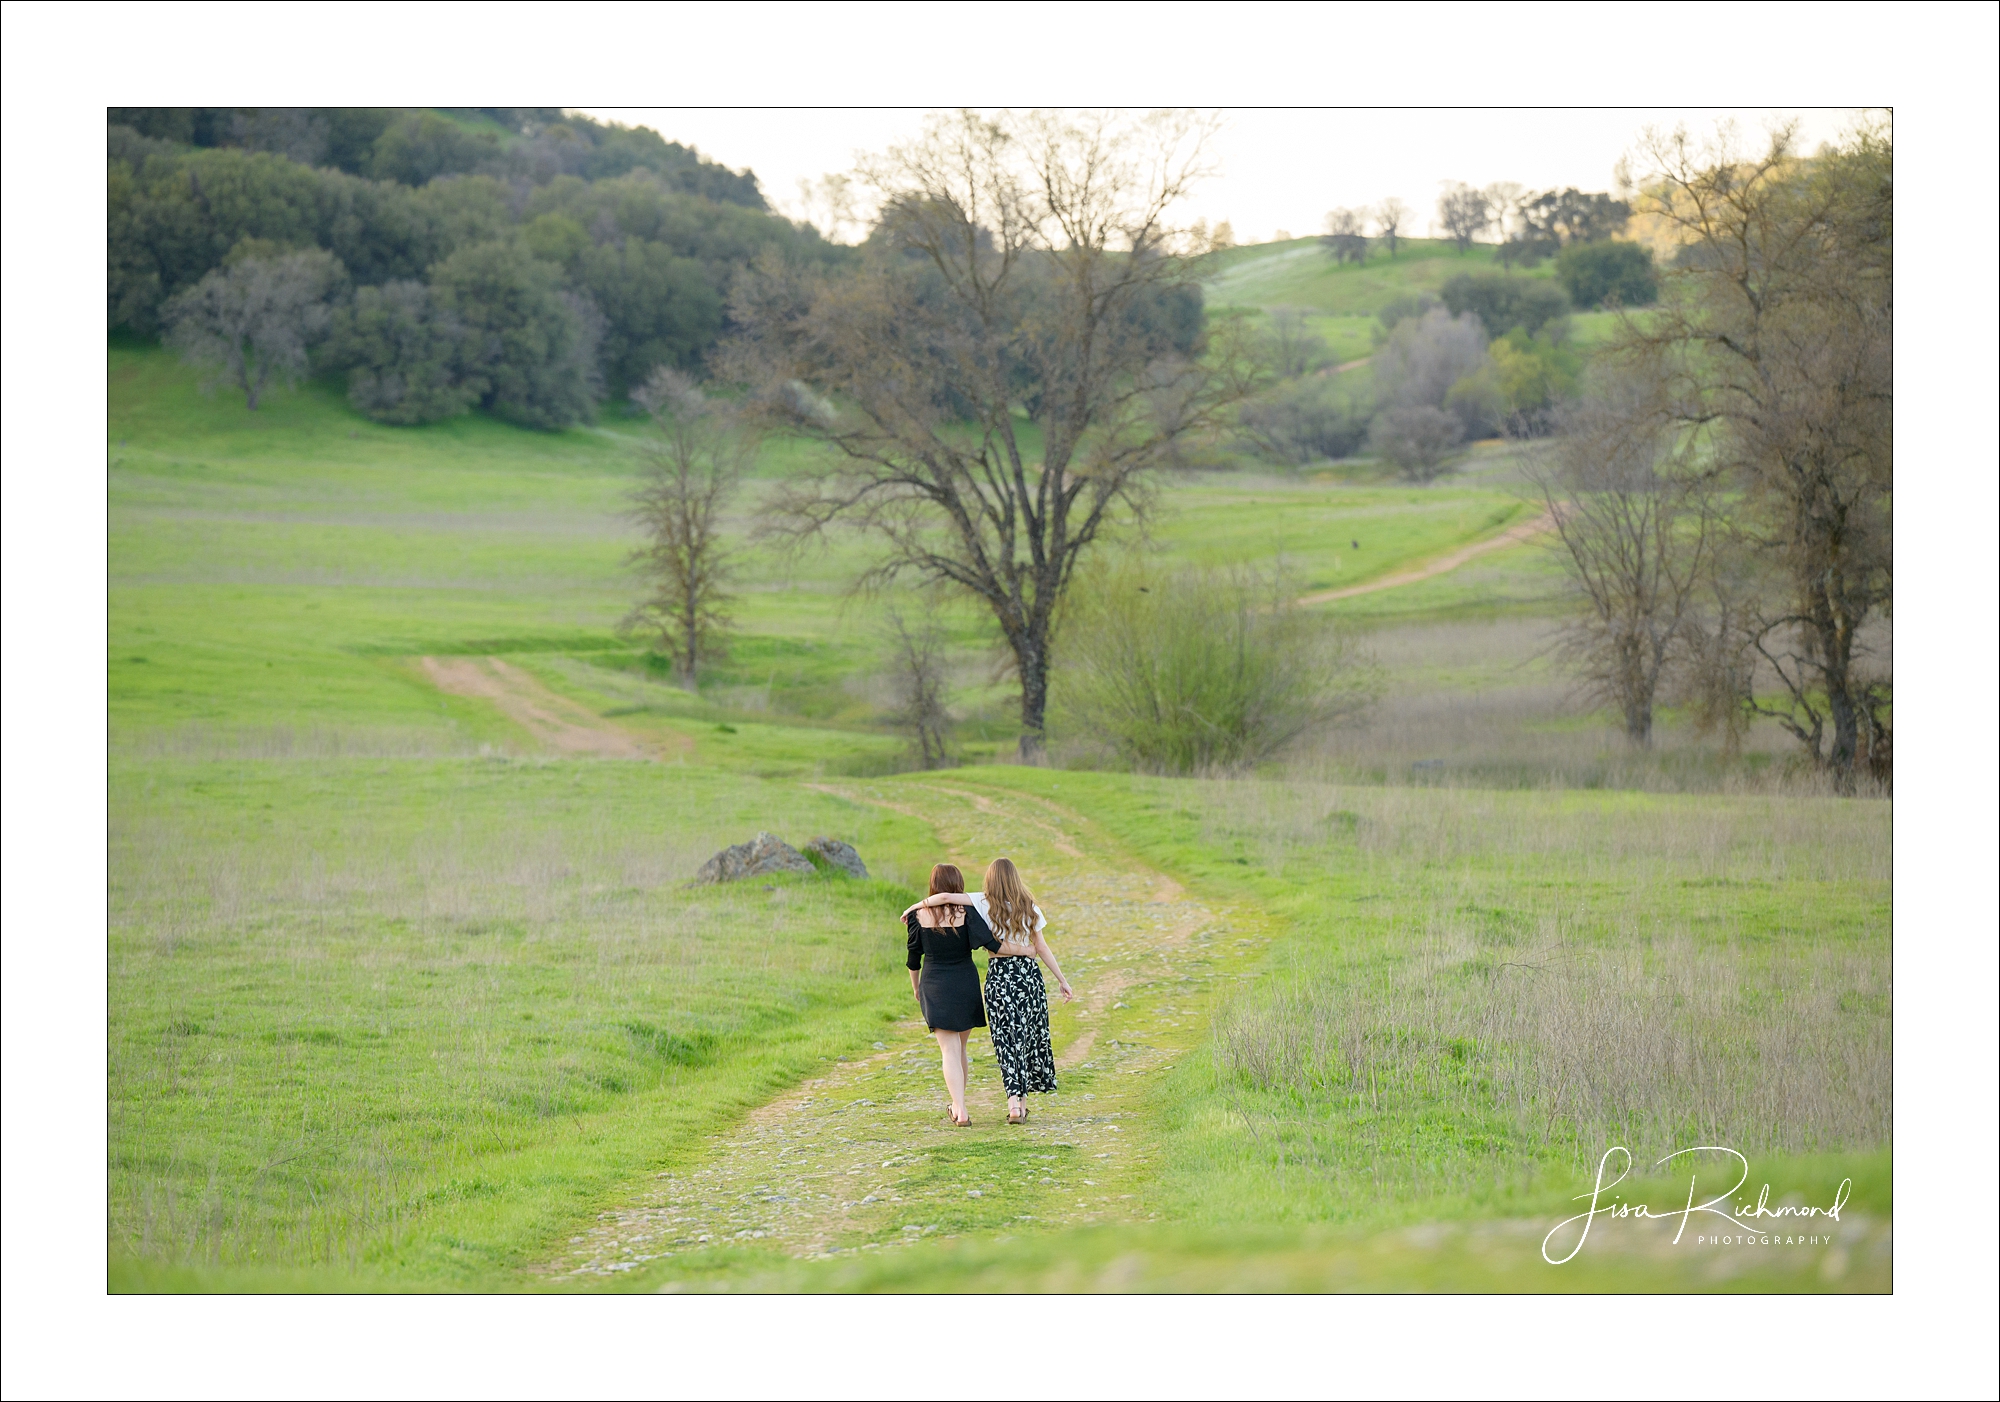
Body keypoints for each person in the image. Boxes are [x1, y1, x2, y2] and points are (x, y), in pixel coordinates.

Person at [906, 857, 1072, 1125]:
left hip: (972, 981)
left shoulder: (982, 904)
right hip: (999, 980)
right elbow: (1019, 945)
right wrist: (1058, 977)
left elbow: (917, 955)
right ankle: (1019, 1103)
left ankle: (976, 1107)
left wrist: (916, 906)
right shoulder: (1015, 909)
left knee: (988, 1044)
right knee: (1014, 1039)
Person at [904, 863, 1000, 1127]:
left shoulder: (916, 916)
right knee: (960, 1049)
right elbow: (988, 943)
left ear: (932, 884)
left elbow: (914, 960)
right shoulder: (966, 912)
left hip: (934, 984)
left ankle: (960, 1109)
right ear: (958, 883)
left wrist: (915, 987)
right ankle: (960, 1106)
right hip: (965, 983)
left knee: (949, 1050)